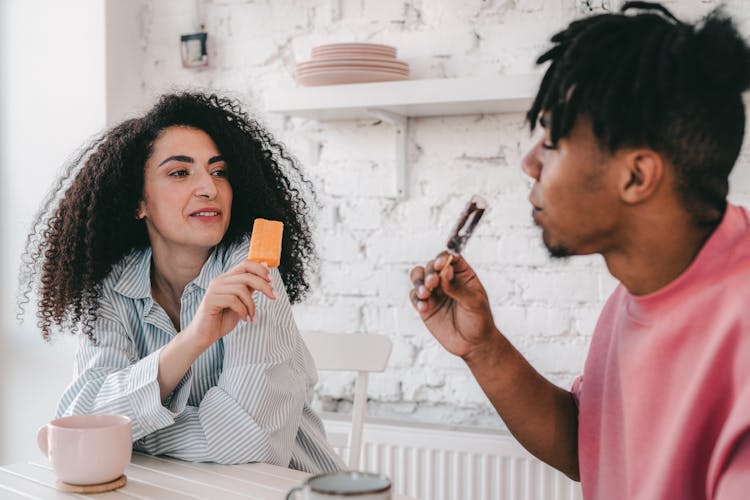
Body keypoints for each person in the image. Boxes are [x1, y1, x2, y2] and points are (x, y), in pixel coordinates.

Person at [410, 2, 750, 499]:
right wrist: (483, 348)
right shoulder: (640, 287)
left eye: (552, 139)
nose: (529, 163)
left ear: (636, 175)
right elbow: (586, 445)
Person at [18, 92, 342, 473]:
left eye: (219, 171)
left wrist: (135, 430)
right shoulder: (113, 287)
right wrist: (193, 340)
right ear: (138, 202)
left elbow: (254, 446)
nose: (210, 187)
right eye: (180, 172)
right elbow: (82, 422)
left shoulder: (252, 273)